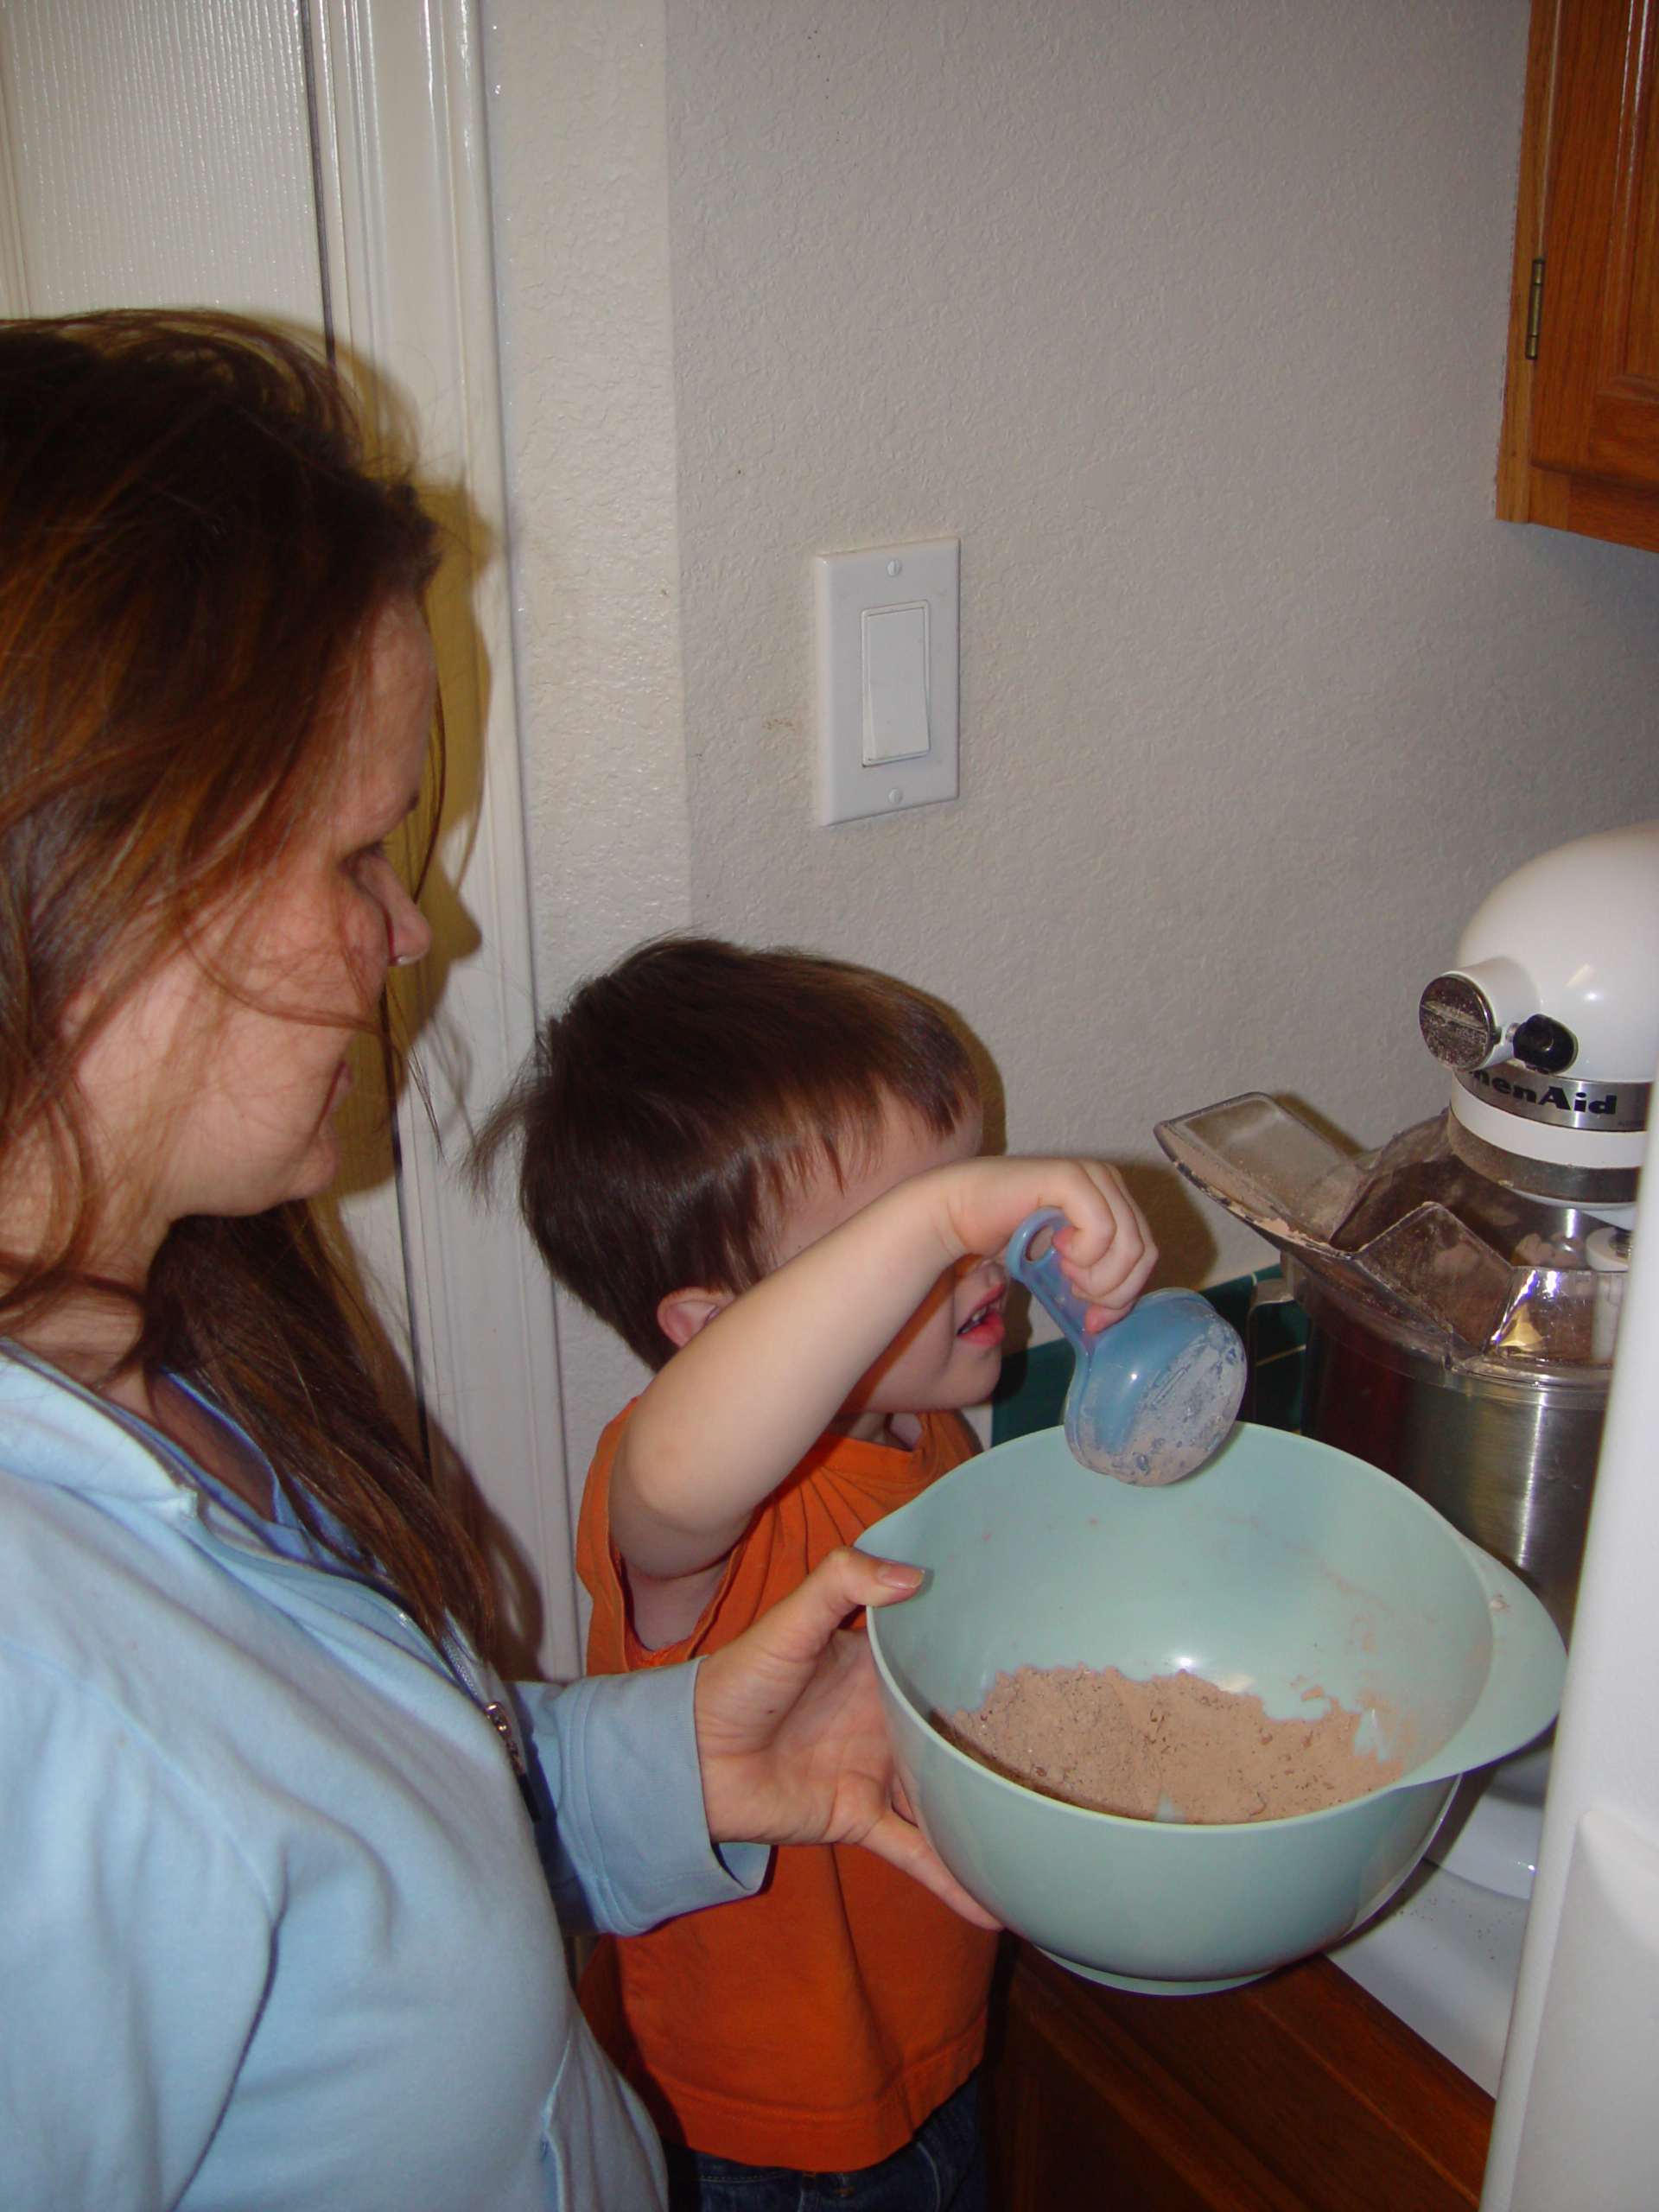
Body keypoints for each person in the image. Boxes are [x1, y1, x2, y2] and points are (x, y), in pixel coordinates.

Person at [0, 312, 1044, 2212]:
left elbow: (343, 1869)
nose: (414, 930)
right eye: (355, 855)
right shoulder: (30, 1703)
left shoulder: (170, 1349)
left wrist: (650, 1767)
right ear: (87, 888)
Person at [482, 938, 1156, 2209]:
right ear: (715, 1332)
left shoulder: (928, 1428)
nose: (984, 1253)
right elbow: (678, 1473)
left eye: (970, 1194)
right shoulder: (699, 1512)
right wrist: (938, 1223)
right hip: (772, 2126)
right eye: (894, 1245)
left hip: (934, 2039)